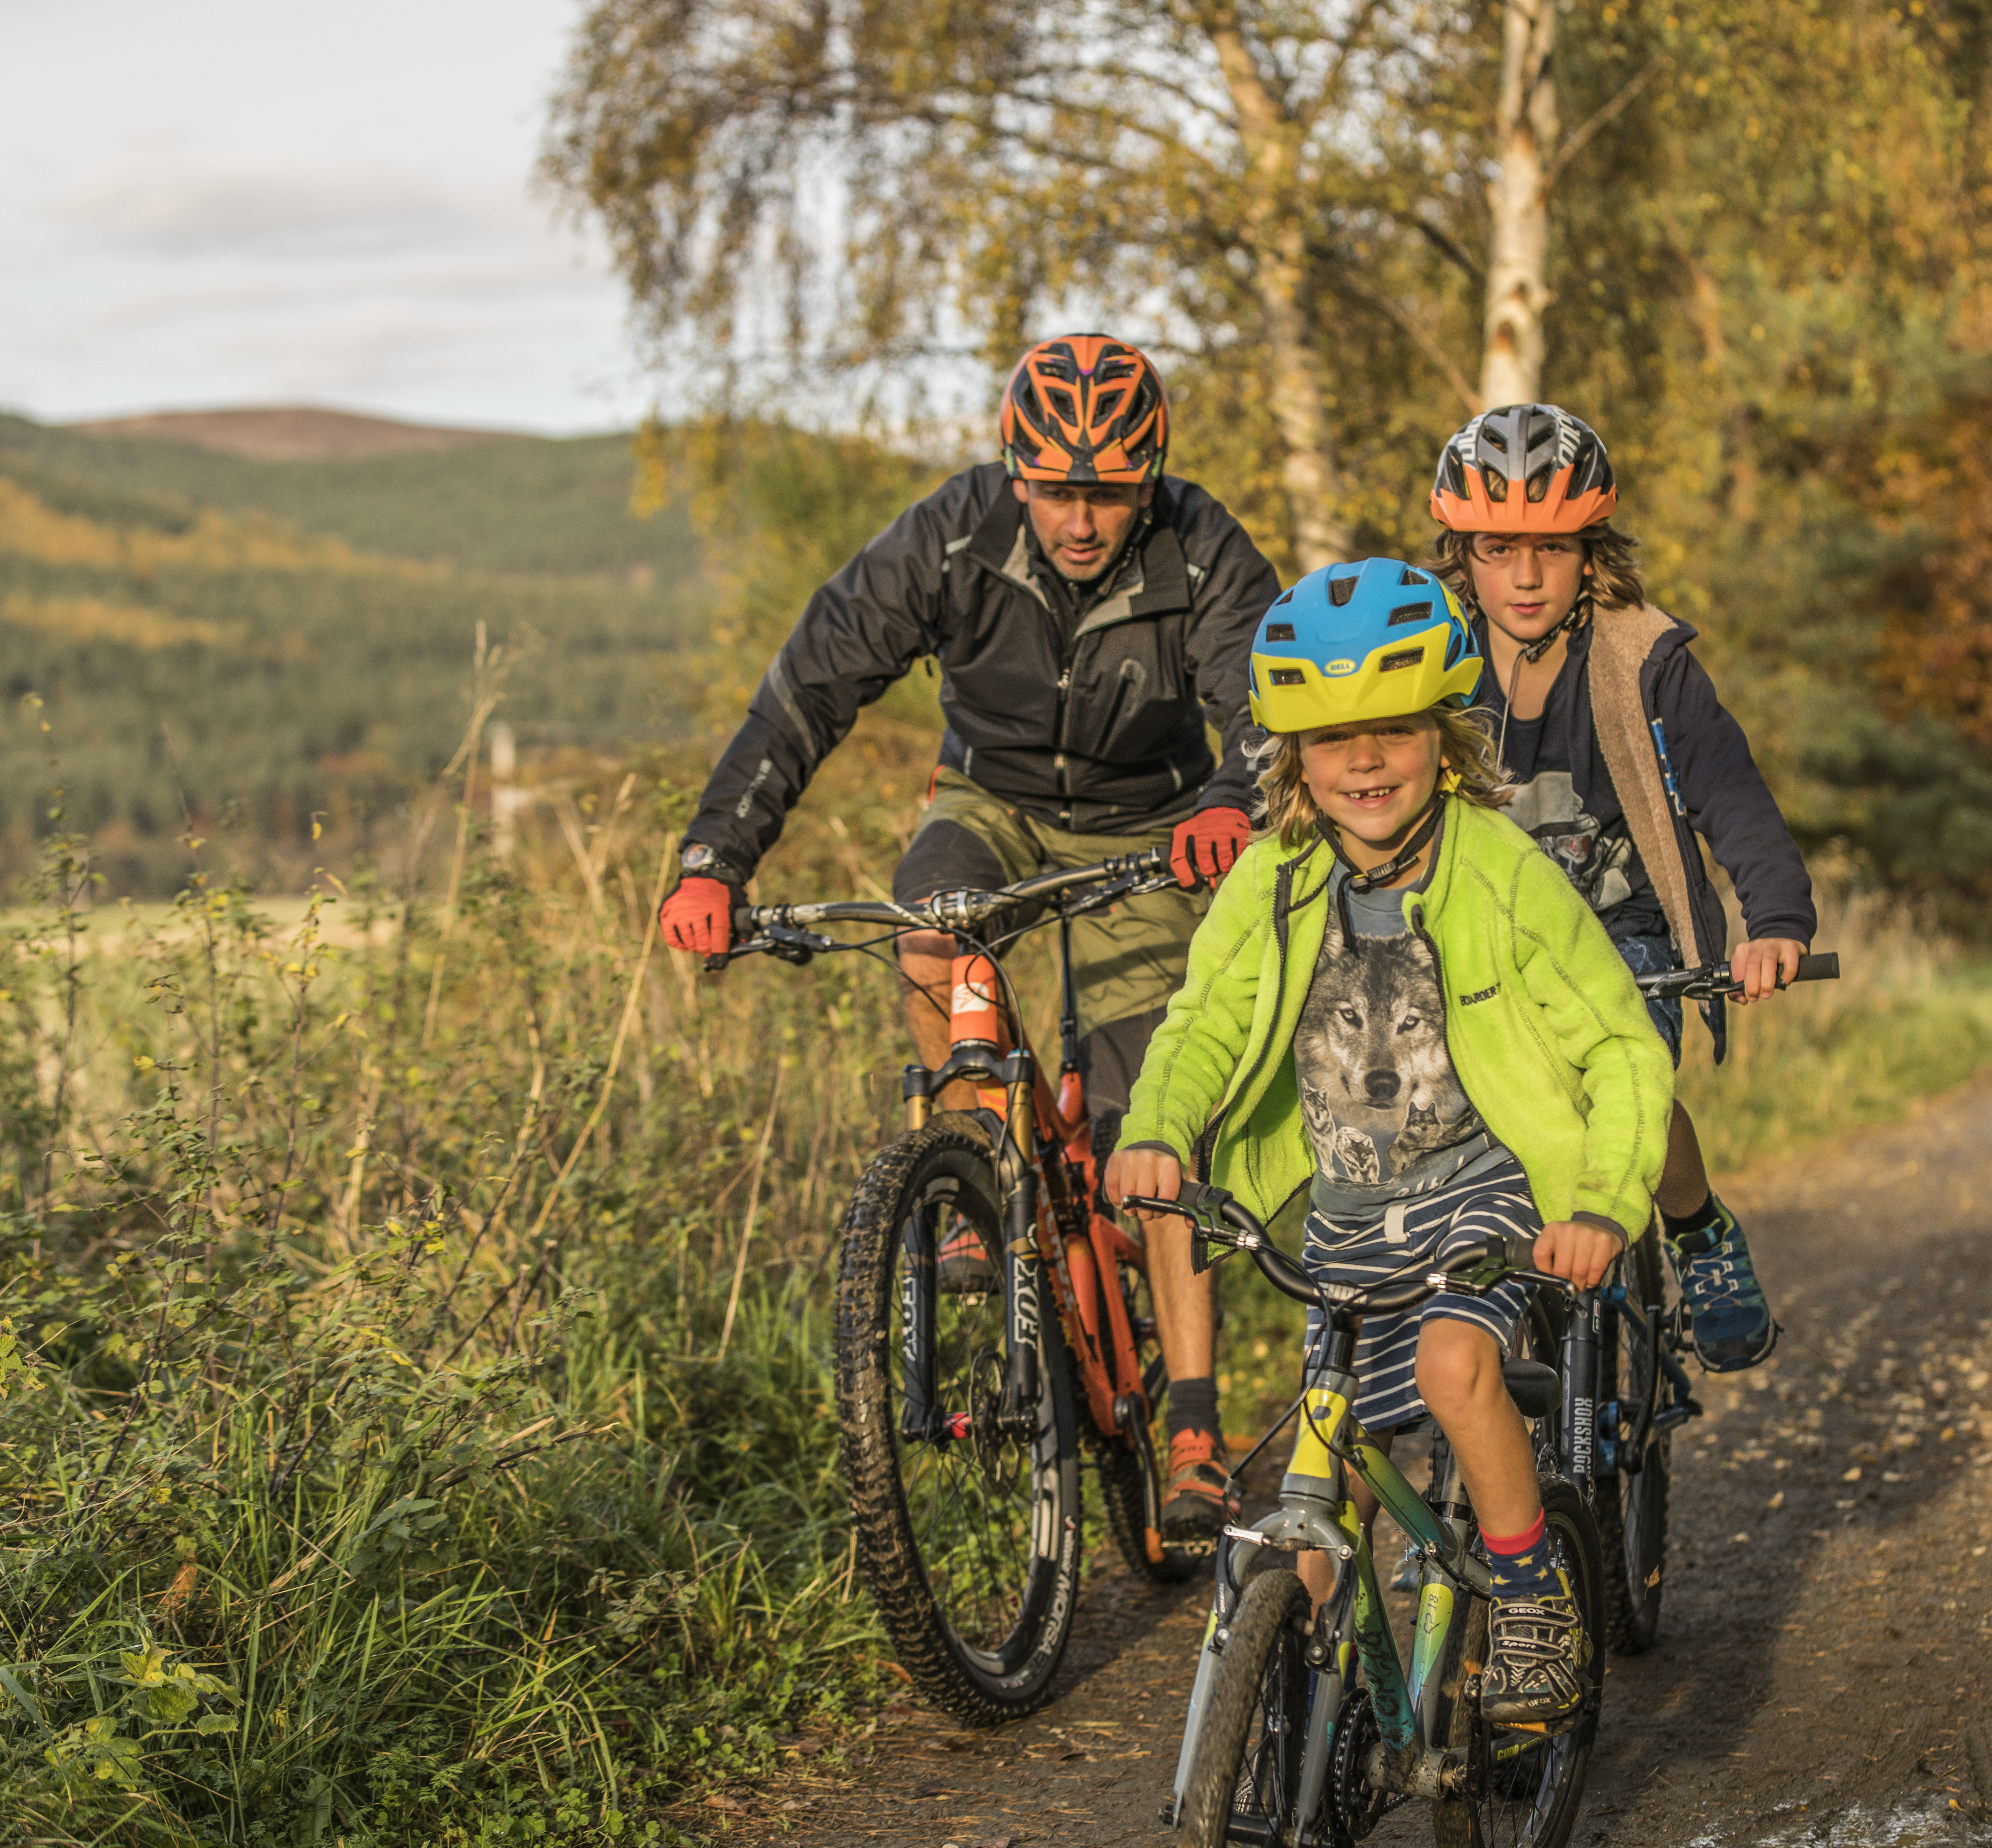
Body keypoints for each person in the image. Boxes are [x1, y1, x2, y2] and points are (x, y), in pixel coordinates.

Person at [654, 334, 1273, 1540]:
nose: (1082, 520)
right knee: (931, 924)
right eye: (1055, 488)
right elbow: (810, 687)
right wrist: (713, 859)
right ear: (1014, 471)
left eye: (1107, 492)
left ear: (1148, 479)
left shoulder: (1198, 542)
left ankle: (1194, 1428)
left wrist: (1231, 801)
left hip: (1152, 821)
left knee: (1151, 1128)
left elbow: (1266, 691)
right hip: (988, 802)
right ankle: (977, 1180)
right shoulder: (948, 535)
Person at [1105, 557, 1672, 1724]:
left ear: (1446, 736)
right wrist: (1158, 1130)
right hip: (1349, 1216)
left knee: (1453, 1371)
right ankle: (1306, 1728)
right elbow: (1203, 1022)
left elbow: (1622, 1045)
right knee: (1323, 1484)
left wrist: (1604, 1206)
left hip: (1490, 1193)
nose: (1366, 761)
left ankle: (1530, 1598)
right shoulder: (1272, 880)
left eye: (1396, 731)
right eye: (1332, 738)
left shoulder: (1503, 872)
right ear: (1291, 758)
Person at [1427, 402, 1817, 1370]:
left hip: (1622, 931)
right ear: (1459, 554)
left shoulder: (1645, 663)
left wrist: (1773, 920)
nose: (1524, 577)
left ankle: (1696, 1227)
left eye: (1551, 549)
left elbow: (1731, 794)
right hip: (1483, 937)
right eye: (1495, 550)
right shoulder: (1430, 659)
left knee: (1624, 1088)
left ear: (1591, 550)